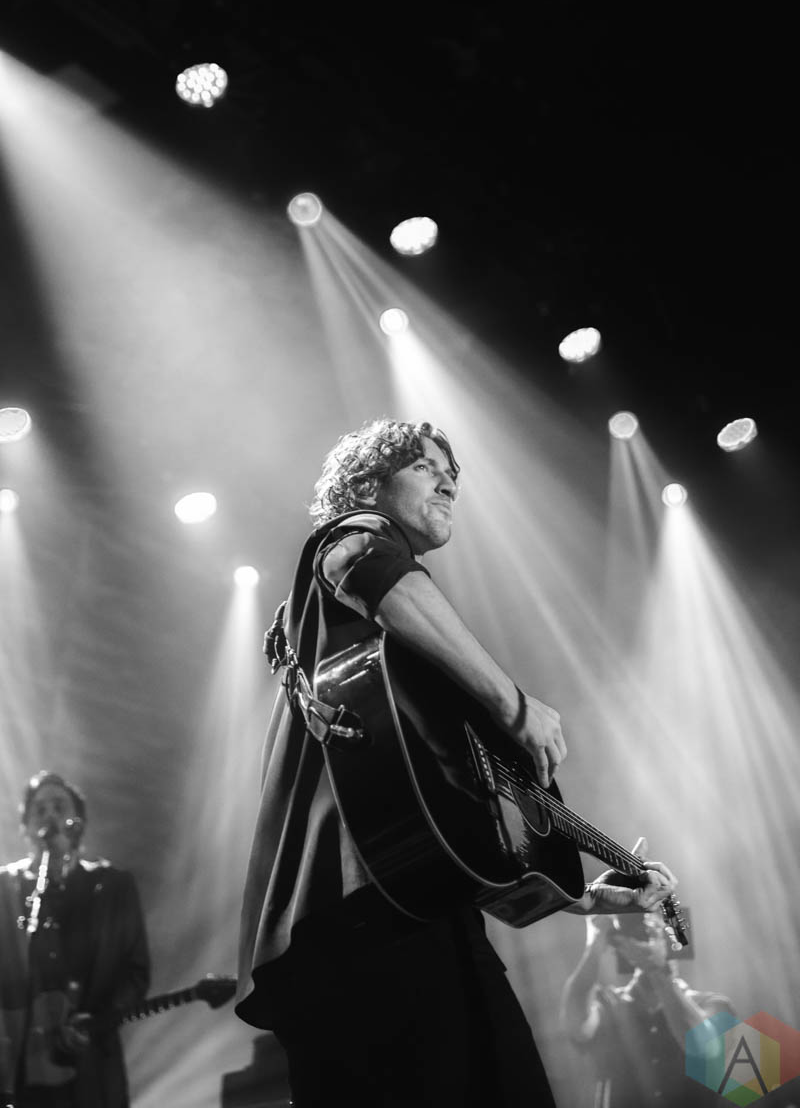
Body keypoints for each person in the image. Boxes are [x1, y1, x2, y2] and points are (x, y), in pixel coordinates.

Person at [235, 417, 679, 1108]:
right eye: (425, 467)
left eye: (454, 475)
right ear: (367, 487)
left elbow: (455, 849)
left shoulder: (388, 672)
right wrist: (513, 704)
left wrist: (590, 899)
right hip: (363, 935)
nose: (448, 483)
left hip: (391, 922)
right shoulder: (352, 542)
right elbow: (360, 559)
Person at [0, 771, 151, 1108]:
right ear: (24, 827)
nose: (49, 816)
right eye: (39, 809)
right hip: (19, 1071)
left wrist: (97, 1020)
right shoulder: (3, 890)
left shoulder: (114, 887)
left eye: (59, 806)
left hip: (91, 1070)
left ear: (78, 822)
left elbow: (136, 972)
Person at [560, 877, 736, 1108]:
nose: (648, 936)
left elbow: (704, 1049)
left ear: (674, 941)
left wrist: (656, 970)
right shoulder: (609, 1004)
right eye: (641, 931)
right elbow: (576, 1024)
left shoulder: (713, 1004)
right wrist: (595, 945)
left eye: (657, 931)